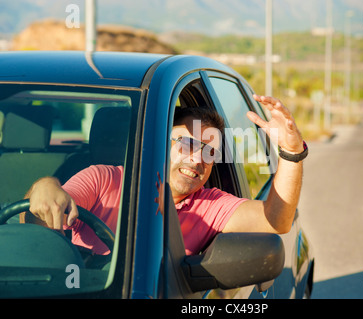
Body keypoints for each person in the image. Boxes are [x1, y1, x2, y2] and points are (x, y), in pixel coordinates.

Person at [21, 95, 306, 256]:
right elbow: (38, 222)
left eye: (210, 152)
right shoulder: (103, 179)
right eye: (187, 144)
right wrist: (45, 186)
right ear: (159, 142)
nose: (197, 159)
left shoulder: (211, 205)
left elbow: (277, 220)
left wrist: (291, 152)